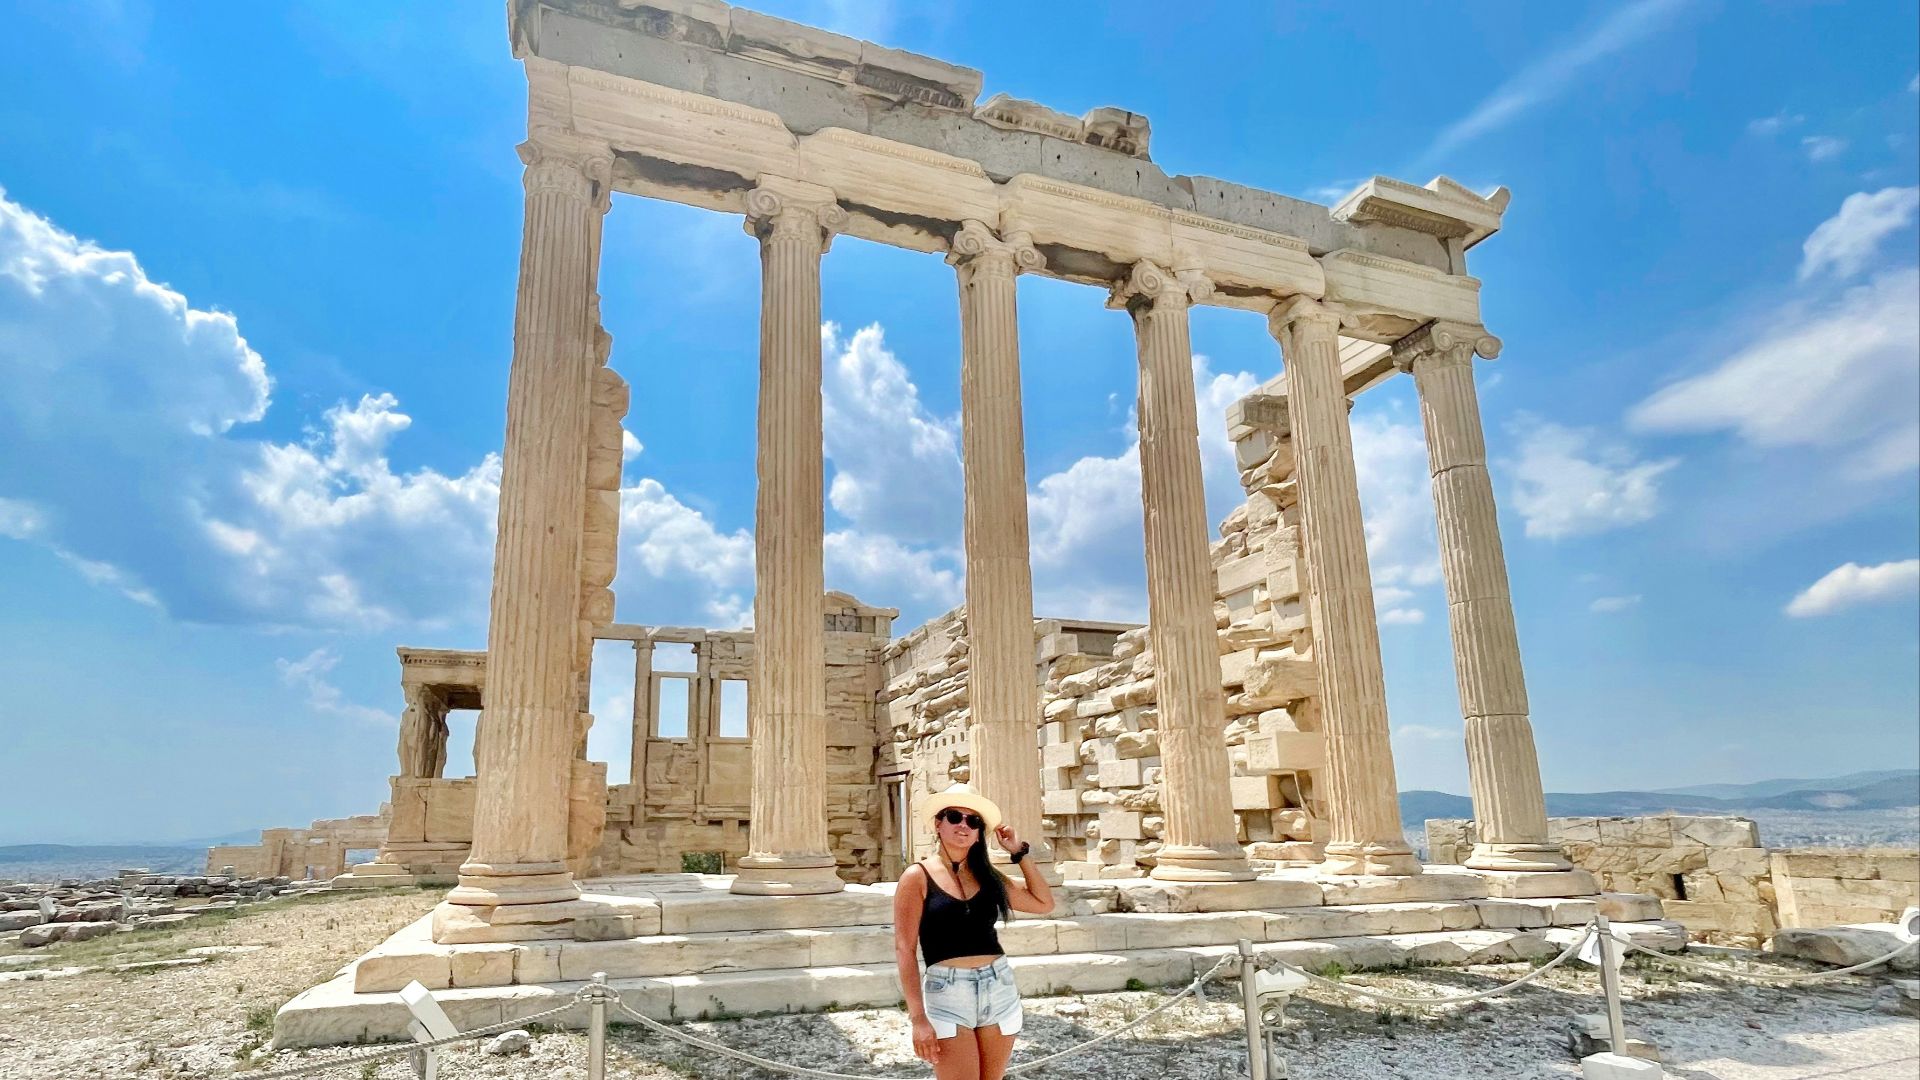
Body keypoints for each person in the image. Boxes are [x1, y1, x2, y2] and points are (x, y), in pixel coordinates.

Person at [892, 783, 1055, 1080]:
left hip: (999, 987)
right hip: (947, 992)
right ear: (938, 824)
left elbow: (1043, 903)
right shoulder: (917, 876)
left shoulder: (988, 877)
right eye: (955, 816)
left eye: (973, 821)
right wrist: (918, 1019)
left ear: (979, 832)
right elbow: (905, 949)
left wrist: (1019, 852)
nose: (964, 825)